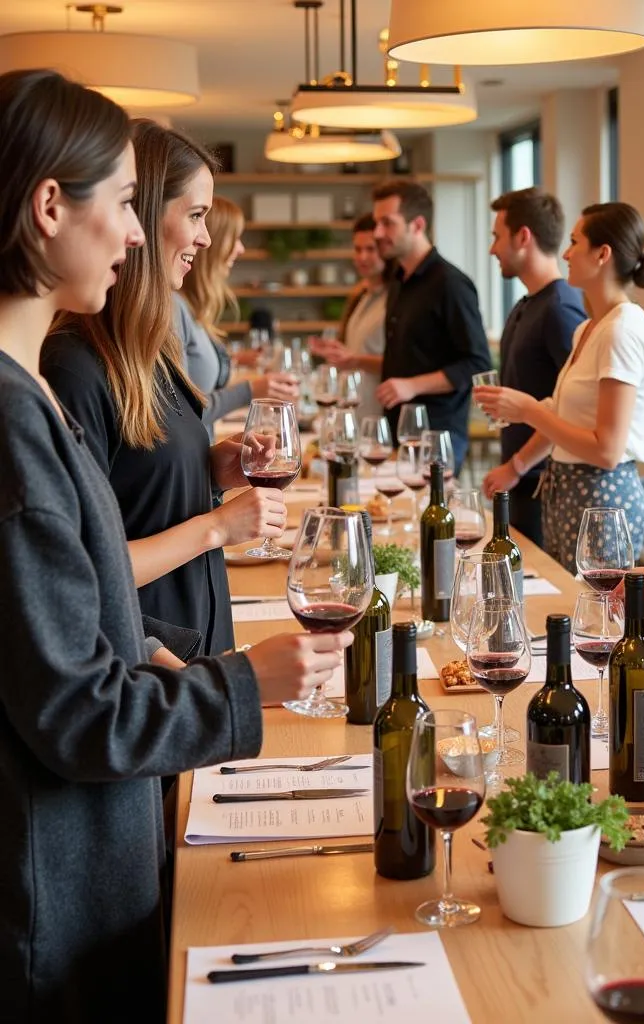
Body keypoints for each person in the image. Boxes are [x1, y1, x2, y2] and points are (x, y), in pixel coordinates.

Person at [0, 68, 349, 1022]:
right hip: (56, 892)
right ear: (46, 207)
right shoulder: (18, 412)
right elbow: (75, 713)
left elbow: (68, 621)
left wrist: (144, 653)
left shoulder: (28, 391)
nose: (141, 232)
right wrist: (247, 683)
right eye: (124, 203)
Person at [42, 120, 286, 657]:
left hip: (193, 651)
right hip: (149, 664)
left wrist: (214, 467)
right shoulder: (73, 364)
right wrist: (218, 526)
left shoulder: (151, 348)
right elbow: (83, 568)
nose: (205, 236)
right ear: (145, 216)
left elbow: (138, 484)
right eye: (196, 215)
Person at [476, 202, 644, 572]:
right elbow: (562, 415)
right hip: (570, 493)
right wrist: (517, 462)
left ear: (603, 254)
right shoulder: (590, 328)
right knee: (570, 616)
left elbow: (607, 450)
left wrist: (528, 410)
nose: (566, 252)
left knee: (597, 624)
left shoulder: (622, 330)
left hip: (602, 500)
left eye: (575, 242)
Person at [480, 187, 586, 546]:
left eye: (497, 237)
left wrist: (516, 466)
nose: (493, 248)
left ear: (523, 236)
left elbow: (573, 408)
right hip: (522, 481)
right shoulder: (527, 304)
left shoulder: (560, 309)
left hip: (540, 483)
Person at [371, 179, 492, 473]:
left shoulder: (451, 284)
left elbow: (478, 364)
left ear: (417, 224)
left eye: (387, 223)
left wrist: (412, 385)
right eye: (377, 223)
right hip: (400, 432)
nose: (377, 233)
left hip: (439, 437)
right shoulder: (399, 281)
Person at [177, 194, 298, 438]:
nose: (241, 248)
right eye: (235, 238)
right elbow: (179, 412)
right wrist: (251, 390)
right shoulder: (175, 306)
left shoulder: (192, 309)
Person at [308, 211, 388, 423]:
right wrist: (335, 351)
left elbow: (402, 362)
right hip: (356, 408)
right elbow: (357, 350)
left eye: (371, 249)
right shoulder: (362, 295)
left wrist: (355, 360)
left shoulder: (397, 300)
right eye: (358, 249)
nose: (362, 257)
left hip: (380, 412)